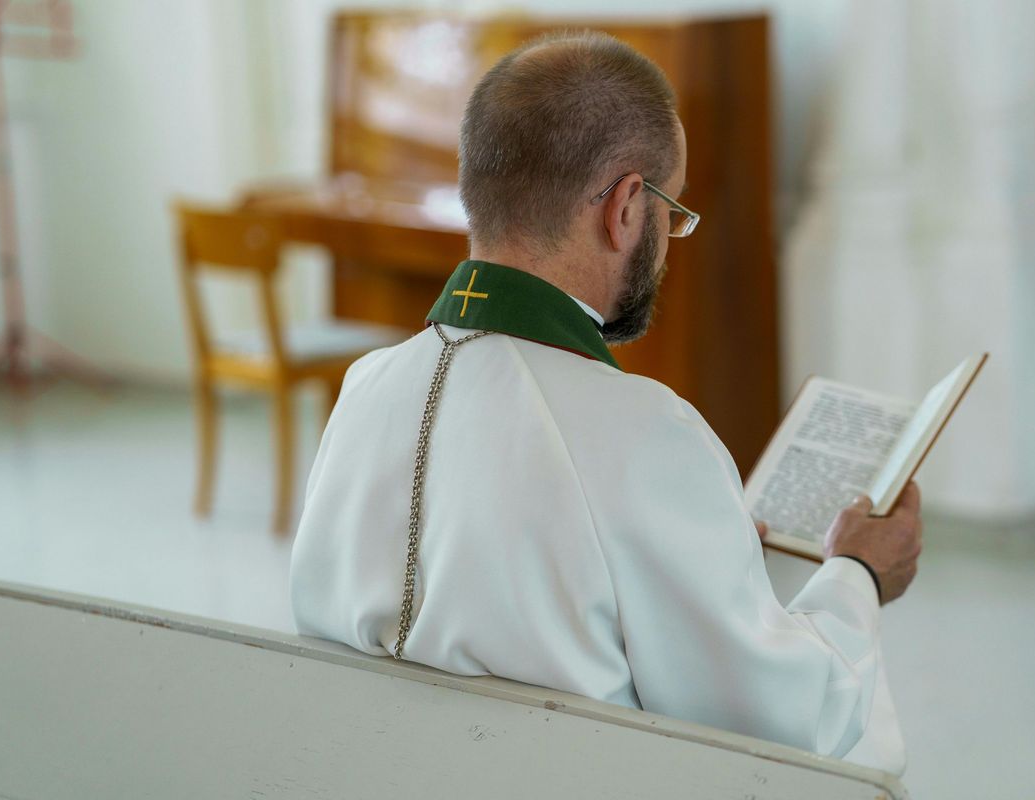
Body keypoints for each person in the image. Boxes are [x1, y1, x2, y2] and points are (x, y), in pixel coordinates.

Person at [290, 31, 921, 774]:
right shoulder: (647, 432)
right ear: (627, 207)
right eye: (671, 212)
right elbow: (787, 720)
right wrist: (857, 575)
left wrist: (704, 549)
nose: (667, 237)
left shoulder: (365, 388)